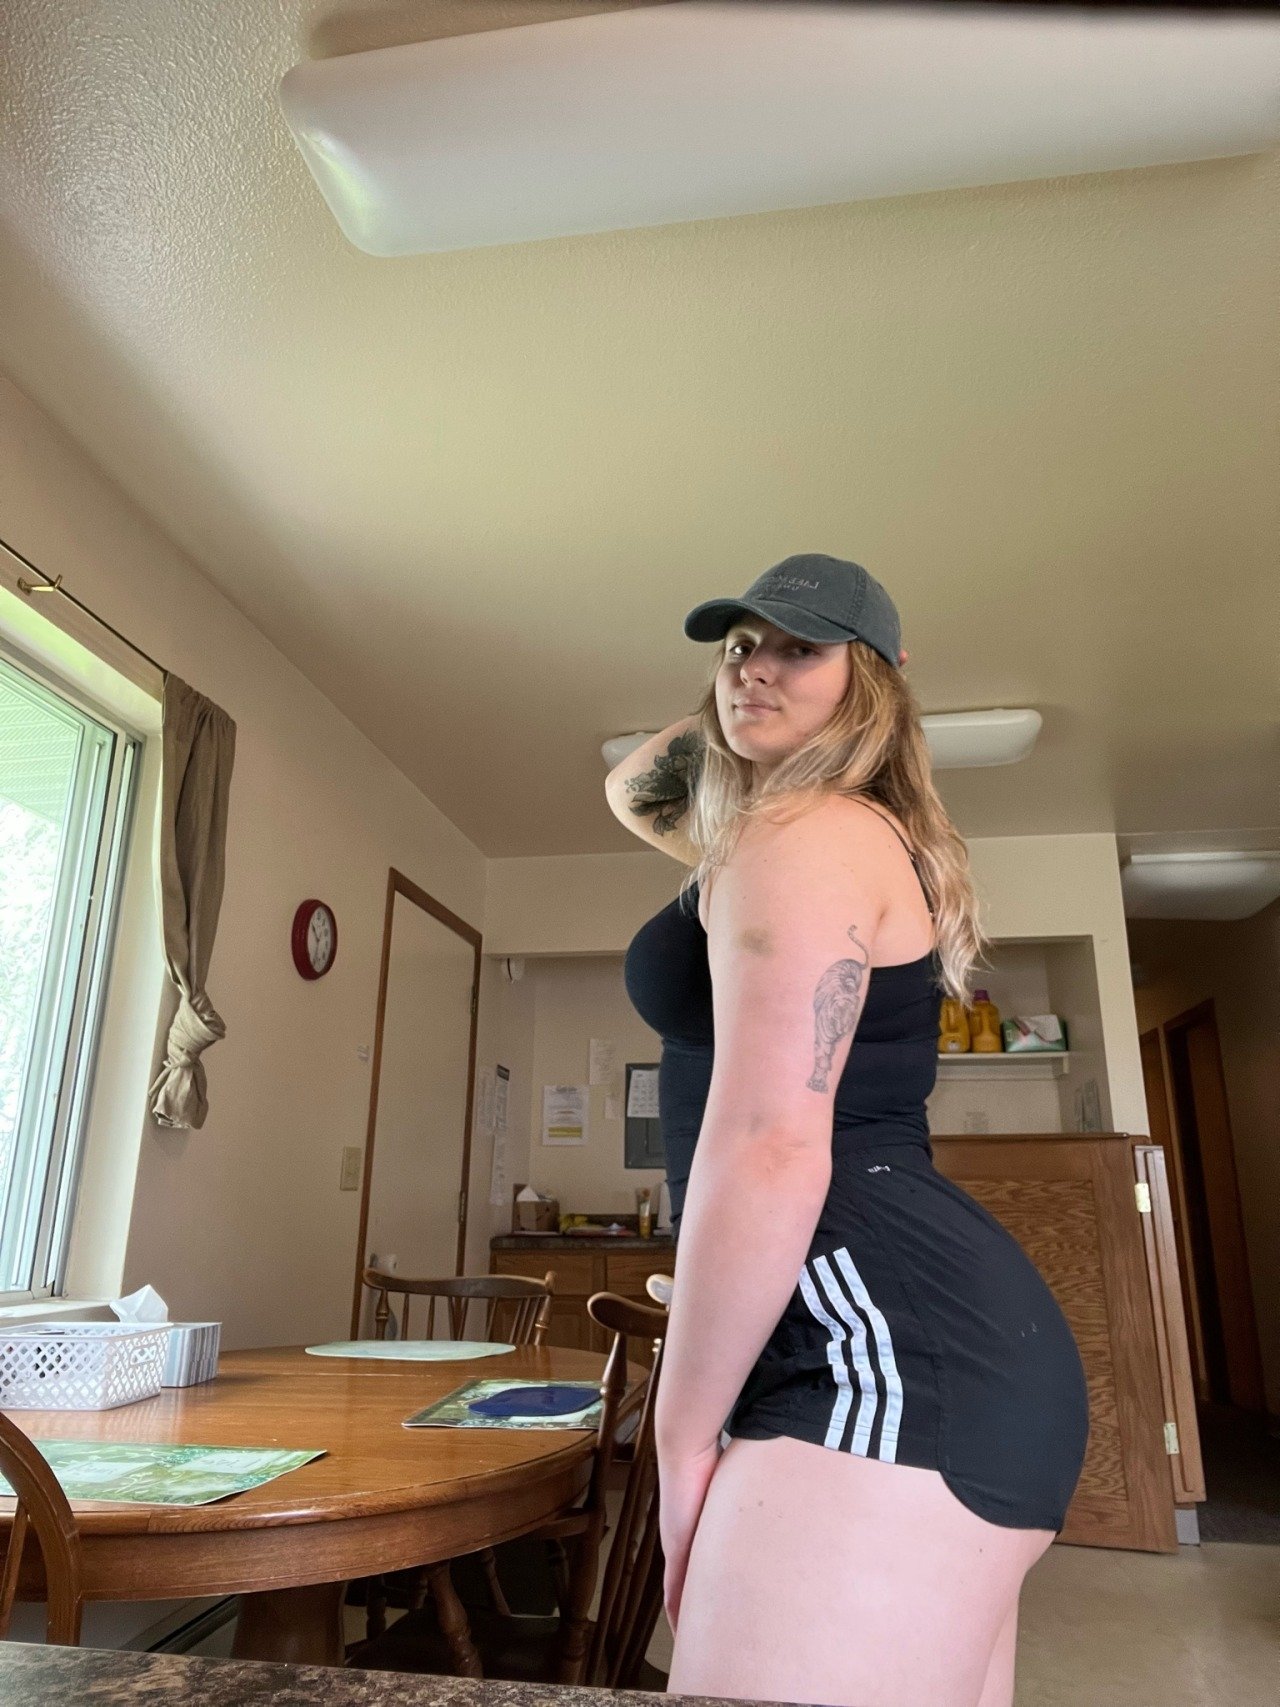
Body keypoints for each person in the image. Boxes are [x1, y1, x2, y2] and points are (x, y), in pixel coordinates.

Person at [610, 554, 1088, 1707]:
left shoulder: (804, 832)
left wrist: (679, 1438)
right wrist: (778, 693)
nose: (753, 669)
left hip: (883, 1359)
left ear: (873, 676)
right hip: (916, 1350)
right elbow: (633, 788)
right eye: (738, 646)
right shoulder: (788, 826)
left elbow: (771, 1144)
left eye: (798, 647)